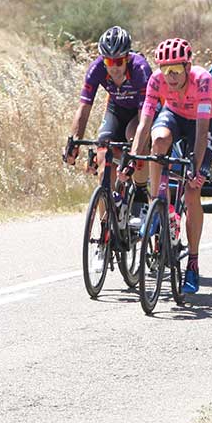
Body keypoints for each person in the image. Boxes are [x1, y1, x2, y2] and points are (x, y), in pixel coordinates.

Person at [123, 37, 212, 295]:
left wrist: (195, 169)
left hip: (201, 122)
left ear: (188, 66)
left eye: (176, 70)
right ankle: (156, 203)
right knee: (159, 139)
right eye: (166, 70)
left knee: (192, 190)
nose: (171, 76)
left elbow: (202, 131)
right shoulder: (156, 80)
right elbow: (144, 124)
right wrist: (132, 158)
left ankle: (193, 263)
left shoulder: (203, 80)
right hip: (174, 115)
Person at [64, 27, 152, 270]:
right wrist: (73, 142)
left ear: (127, 58)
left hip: (139, 114)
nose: (113, 67)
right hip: (116, 110)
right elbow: (84, 108)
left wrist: (133, 155)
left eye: (119, 61)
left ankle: (142, 196)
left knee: (133, 137)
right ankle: (104, 239)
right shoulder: (97, 69)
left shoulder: (141, 69)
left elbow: (145, 117)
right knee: (103, 156)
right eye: (109, 61)